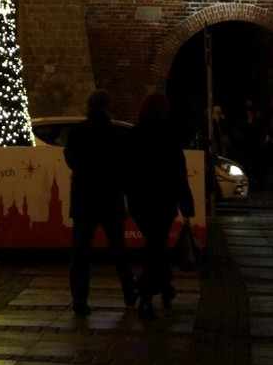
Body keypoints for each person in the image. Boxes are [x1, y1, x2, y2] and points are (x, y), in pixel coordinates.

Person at [63, 90, 136, 316]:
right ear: (107, 107)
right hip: (110, 197)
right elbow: (125, 166)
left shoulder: (77, 132)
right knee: (118, 250)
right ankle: (129, 292)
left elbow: (71, 160)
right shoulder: (116, 134)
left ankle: (79, 299)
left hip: (84, 198)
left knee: (81, 253)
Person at [126, 92, 194, 321]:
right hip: (164, 200)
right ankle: (149, 293)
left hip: (141, 201)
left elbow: (126, 170)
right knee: (158, 245)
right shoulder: (169, 135)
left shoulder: (134, 134)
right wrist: (186, 203)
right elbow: (178, 172)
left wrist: (130, 194)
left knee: (155, 245)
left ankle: (161, 288)